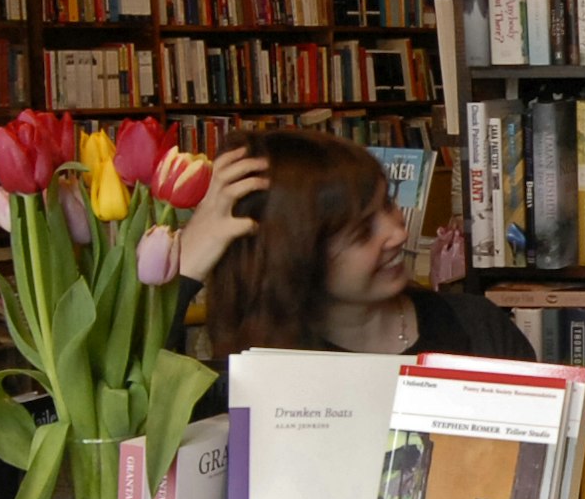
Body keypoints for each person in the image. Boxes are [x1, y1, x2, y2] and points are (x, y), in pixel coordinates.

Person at [182, 130, 533, 361]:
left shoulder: (480, 330)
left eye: (388, 203)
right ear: (295, 256)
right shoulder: (257, 367)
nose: (398, 233)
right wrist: (185, 270)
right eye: (363, 230)